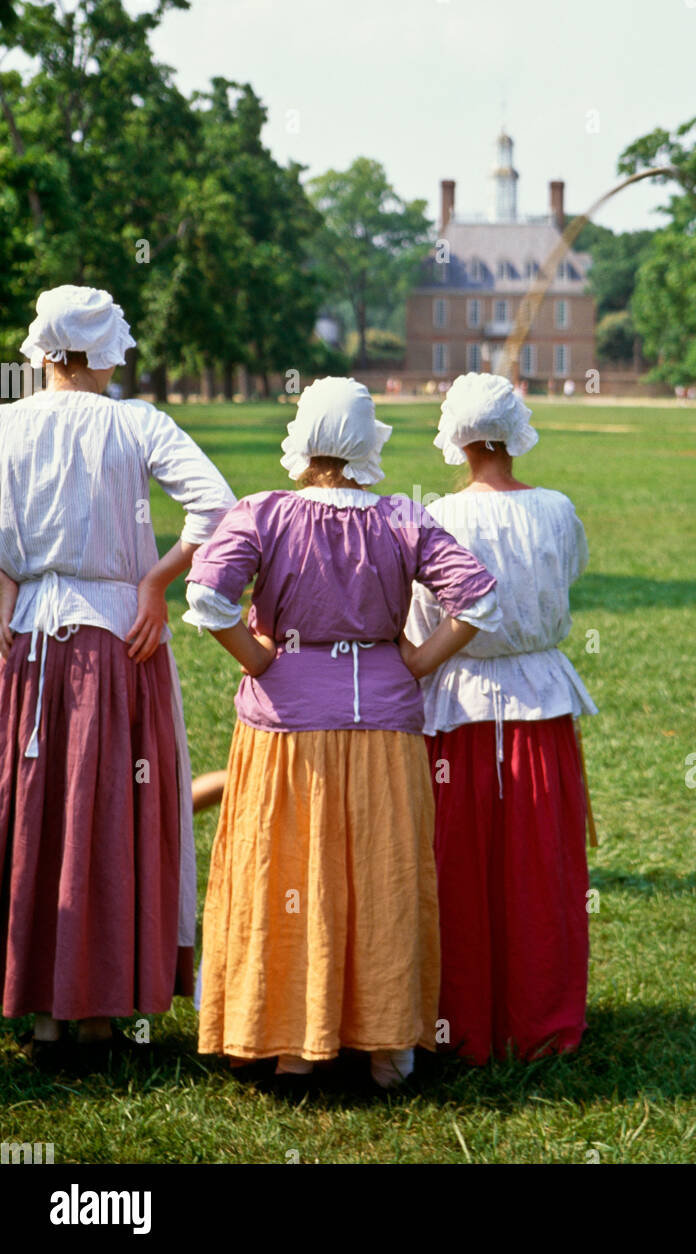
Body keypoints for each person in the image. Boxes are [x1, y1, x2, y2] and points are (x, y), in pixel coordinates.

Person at [183, 377, 500, 1093]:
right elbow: (480, 595)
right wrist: (416, 660)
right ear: (366, 443)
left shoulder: (262, 512)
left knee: (285, 875)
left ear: (303, 437)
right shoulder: (401, 518)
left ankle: (290, 1047)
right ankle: (388, 1053)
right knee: (382, 875)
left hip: (287, 729)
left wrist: (259, 657)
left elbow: (205, 596)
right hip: (383, 724)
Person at [0, 285, 235, 1066]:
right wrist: (156, 582)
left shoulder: (8, 423)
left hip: (29, 637)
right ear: (102, 352)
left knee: (37, 810)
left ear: (44, 351)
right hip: (115, 635)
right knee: (105, 811)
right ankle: (98, 1014)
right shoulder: (137, 422)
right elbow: (219, 508)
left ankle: (41, 1014)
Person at [404, 372, 597, 1065]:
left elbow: (422, 618)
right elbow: (566, 570)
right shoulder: (557, 507)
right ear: (516, 432)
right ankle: (540, 1020)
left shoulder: (437, 517)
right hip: (536, 699)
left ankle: (460, 1019)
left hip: (456, 705)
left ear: (455, 440)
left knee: (457, 866)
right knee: (540, 866)